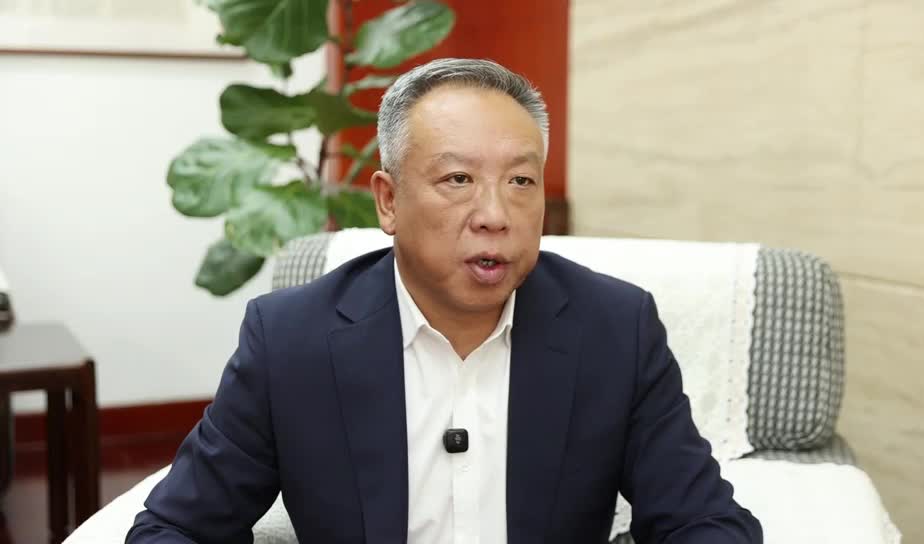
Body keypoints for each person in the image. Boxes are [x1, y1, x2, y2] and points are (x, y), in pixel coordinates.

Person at [127, 58, 762, 544]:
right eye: (458, 179)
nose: (495, 214)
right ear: (388, 201)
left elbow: (704, 521)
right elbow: (175, 527)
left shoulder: (615, 330)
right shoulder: (291, 340)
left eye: (521, 180)